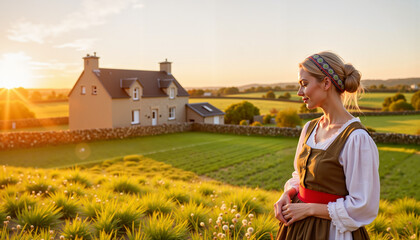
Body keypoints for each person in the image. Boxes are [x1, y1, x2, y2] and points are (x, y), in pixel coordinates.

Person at [274, 51, 380, 240]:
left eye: (304, 84)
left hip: (333, 232)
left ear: (325, 83)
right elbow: (300, 177)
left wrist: (309, 209)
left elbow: (363, 206)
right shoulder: (309, 128)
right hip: (298, 228)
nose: (299, 93)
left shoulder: (356, 138)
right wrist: (288, 194)